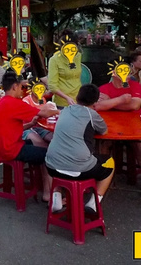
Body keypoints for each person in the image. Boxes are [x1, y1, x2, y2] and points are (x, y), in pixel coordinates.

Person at [0, 72, 59, 202]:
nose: (23, 91)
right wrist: (61, 111)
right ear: (15, 86)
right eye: (22, 87)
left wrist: (30, 124)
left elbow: (10, 128)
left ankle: (45, 188)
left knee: (42, 148)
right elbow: (45, 113)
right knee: (49, 155)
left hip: (3, 147)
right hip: (12, 149)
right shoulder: (14, 103)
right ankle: (51, 194)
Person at [46, 84, 115, 213]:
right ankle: (94, 202)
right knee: (109, 162)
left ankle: (56, 197)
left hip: (51, 167)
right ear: (95, 101)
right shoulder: (92, 114)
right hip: (80, 170)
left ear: (77, 97)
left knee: (59, 158)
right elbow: (104, 131)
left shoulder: (65, 110)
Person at [94, 67, 141, 199]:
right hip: (110, 126)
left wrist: (111, 102)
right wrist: (121, 100)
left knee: (139, 145)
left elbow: (135, 105)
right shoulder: (104, 88)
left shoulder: (135, 86)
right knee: (103, 143)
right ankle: (102, 180)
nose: (127, 74)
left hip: (133, 125)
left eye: (128, 72)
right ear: (114, 74)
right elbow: (98, 106)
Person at [47, 30, 83, 107]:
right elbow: (52, 86)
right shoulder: (54, 60)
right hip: (62, 102)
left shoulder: (78, 56)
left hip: (78, 99)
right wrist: (67, 98)